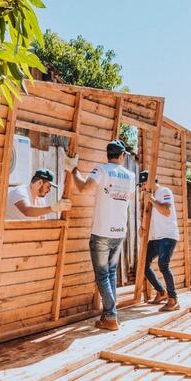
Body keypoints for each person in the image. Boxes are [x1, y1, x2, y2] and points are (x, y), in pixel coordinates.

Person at [67, 140, 136, 331]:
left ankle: (111, 316)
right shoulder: (130, 176)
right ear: (121, 155)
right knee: (111, 273)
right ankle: (109, 316)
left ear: (108, 154)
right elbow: (127, 199)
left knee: (102, 275)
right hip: (119, 232)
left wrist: (73, 169)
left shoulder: (102, 170)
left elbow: (83, 188)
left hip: (102, 231)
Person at [143, 177, 181, 311]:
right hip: (155, 237)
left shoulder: (165, 191)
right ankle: (161, 292)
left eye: (143, 183)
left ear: (151, 181)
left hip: (168, 235)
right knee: (143, 264)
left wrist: (151, 199)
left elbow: (166, 211)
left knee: (163, 265)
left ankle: (173, 299)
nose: (142, 187)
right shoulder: (148, 196)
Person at [6, 168, 72, 220]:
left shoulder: (40, 200)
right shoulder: (20, 192)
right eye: (48, 187)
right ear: (40, 183)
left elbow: (42, 223)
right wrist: (53, 208)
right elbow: (27, 211)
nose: (49, 190)